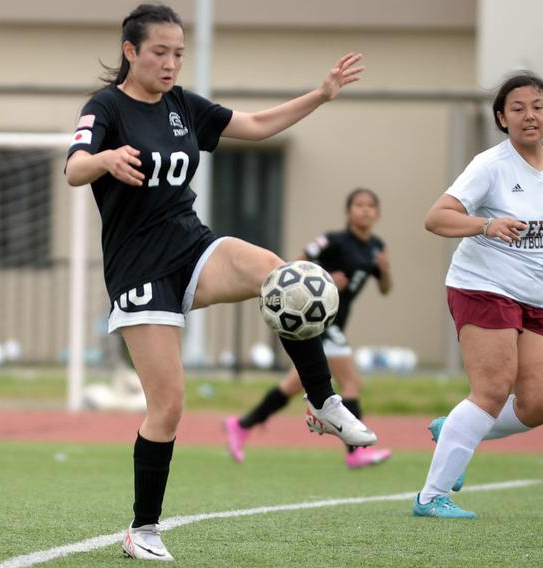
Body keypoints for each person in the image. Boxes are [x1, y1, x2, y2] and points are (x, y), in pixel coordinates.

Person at [64, 4, 376, 560]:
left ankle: (325, 401)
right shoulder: (107, 106)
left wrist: (321, 94)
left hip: (192, 244)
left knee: (283, 276)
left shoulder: (183, 105)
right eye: (159, 51)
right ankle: (144, 528)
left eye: (179, 53)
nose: (170, 63)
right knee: (169, 404)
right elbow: (74, 168)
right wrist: (106, 158)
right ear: (131, 51)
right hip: (139, 270)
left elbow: (253, 126)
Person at [413, 72, 543, 519]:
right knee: (493, 389)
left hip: (533, 297)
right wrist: (485, 224)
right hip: (481, 285)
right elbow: (436, 218)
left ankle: (455, 428)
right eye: (516, 108)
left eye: (537, 105)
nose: (528, 115)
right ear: (502, 118)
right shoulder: (490, 165)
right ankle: (431, 496)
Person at [225, 188, 394, 469]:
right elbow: (294, 264)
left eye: (370, 206)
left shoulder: (377, 247)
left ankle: (241, 425)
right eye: (358, 205)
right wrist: (326, 279)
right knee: (351, 382)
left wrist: (385, 271)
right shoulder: (333, 241)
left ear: (377, 213)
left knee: (294, 385)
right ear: (348, 211)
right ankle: (355, 452)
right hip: (318, 324)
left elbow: (385, 290)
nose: (365, 210)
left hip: (334, 323)